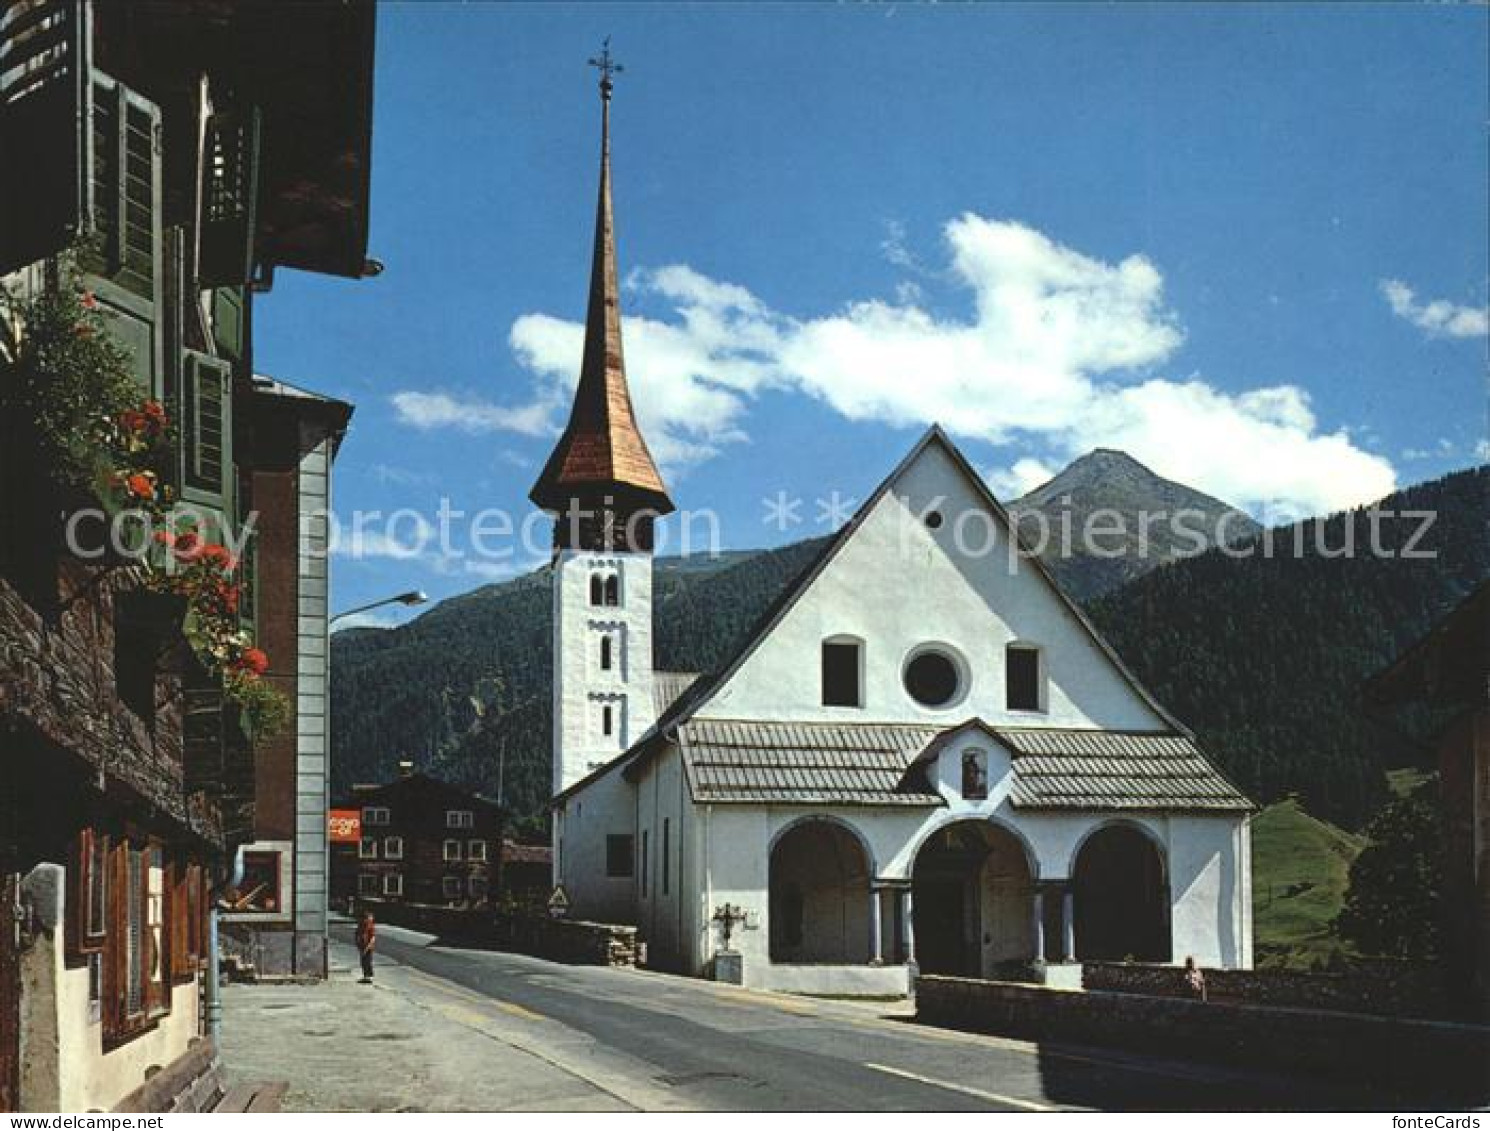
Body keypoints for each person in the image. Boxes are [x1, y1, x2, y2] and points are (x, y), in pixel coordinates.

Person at [356, 911, 376, 983]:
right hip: (362, 946)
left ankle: (370, 976)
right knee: (363, 962)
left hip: (368, 947)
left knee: (368, 961)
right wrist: (358, 945)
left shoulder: (370, 926)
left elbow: (372, 938)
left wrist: (368, 947)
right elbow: (357, 935)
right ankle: (365, 976)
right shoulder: (360, 926)